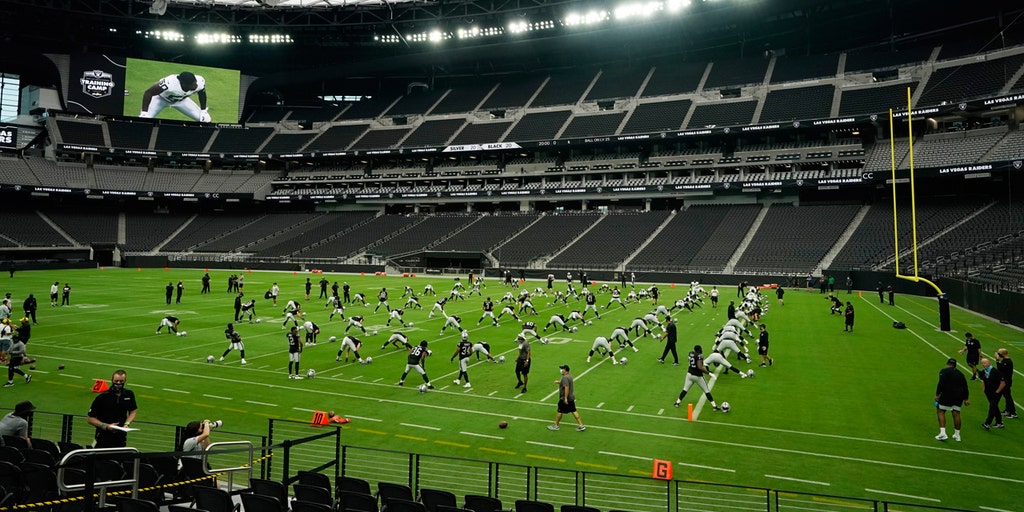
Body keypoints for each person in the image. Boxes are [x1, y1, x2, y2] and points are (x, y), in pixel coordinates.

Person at [87, 370, 138, 448]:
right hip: (103, 437)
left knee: (118, 458)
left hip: (121, 437)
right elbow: (90, 419)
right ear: (112, 380)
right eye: (116, 381)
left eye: (121, 381)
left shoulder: (129, 394)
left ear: (125, 381)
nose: (118, 383)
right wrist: (106, 426)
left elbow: (133, 412)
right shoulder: (102, 397)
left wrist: (126, 424)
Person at [139, 71, 210, 122]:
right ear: (183, 84)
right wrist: (144, 112)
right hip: (161, 99)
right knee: (144, 120)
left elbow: (202, 94)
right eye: (192, 84)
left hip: (181, 101)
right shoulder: (169, 83)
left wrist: (203, 110)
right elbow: (148, 92)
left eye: (195, 82)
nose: (196, 85)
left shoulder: (199, 81)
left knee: (205, 119)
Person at [673, 345, 720, 411]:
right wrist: (709, 373)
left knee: (685, 389)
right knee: (706, 391)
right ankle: (714, 406)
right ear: (699, 349)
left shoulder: (691, 354)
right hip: (698, 376)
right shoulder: (700, 356)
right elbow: (699, 367)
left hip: (689, 374)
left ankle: (677, 402)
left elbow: (692, 362)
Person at [935, 358, 969, 441]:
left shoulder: (944, 371)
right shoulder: (960, 374)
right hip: (959, 396)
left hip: (948, 394)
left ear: (947, 364)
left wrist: (937, 394)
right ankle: (957, 435)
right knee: (956, 413)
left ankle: (943, 433)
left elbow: (941, 383)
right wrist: (966, 398)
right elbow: (965, 386)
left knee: (940, 411)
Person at [548, 365, 586, 431]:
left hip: (565, 398)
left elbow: (566, 387)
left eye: (562, 369)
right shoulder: (569, 376)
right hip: (571, 397)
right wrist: (559, 382)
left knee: (560, 411)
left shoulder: (565, 378)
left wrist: (565, 398)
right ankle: (581, 425)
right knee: (573, 410)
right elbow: (567, 383)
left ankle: (556, 425)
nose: (561, 370)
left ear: (565, 370)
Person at [979, 358, 1006, 430]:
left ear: (989, 363)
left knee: (992, 406)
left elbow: (1003, 383)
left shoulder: (995, 371)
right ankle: (999, 422)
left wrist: (997, 391)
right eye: (982, 363)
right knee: (994, 407)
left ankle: (987, 423)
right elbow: (983, 381)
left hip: (996, 392)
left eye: (984, 363)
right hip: (988, 392)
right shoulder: (983, 372)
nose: (983, 365)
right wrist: (984, 390)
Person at [995, 348, 1016, 419]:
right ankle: (1007, 410)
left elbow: (1000, 368)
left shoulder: (1007, 362)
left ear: (1003, 354)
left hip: (1006, 382)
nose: (998, 354)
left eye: (999, 353)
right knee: (1006, 396)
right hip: (1004, 381)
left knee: (1008, 397)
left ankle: (1013, 412)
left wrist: (997, 360)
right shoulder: (1005, 361)